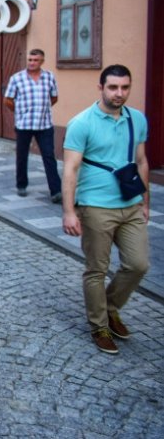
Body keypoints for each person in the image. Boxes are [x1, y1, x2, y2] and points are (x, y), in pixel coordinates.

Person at [61, 64, 149, 355]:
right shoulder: (82, 123)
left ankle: (110, 308)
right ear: (101, 88)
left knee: (138, 265)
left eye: (125, 87)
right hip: (95, 205)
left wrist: (144, 201)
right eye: (113, 87)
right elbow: (71, 169)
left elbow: (141, 161)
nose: (119, 93)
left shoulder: (137, 119)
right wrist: (69, 211)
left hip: (131, 204)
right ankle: (99, 325)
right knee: (97, 269)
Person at [4, 49, 62, 202]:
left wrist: (43, 108)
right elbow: (8, 100)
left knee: (49, 157)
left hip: (44, 124)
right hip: (24, 124)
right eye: (30, 59)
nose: (31, 63)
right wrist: (20, 111)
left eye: (35, 60)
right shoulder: (17, 78)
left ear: (41, 61)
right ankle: (21, 185)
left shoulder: (49, 77)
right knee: (22, 156)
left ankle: (56, 191)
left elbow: (54, 97)